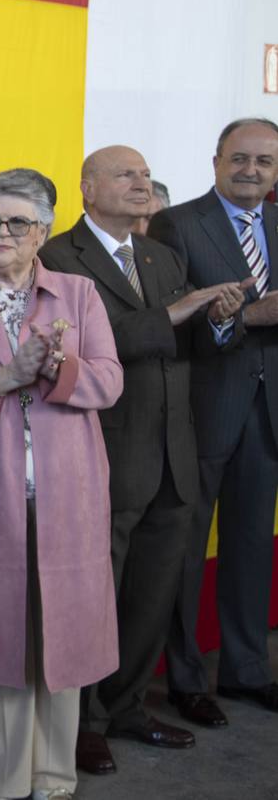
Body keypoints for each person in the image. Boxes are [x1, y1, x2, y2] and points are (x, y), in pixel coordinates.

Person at [40, 147, 247, 776]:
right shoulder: (57, 257)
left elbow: (193, 340)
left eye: (145, 174)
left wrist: (218, 319)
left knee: (152, 595)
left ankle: (127, 706)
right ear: (87, 188)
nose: (141, 183)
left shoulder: (160, 255)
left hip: (172, 454)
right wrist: (174, 313)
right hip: (103, 453)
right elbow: (78, 347)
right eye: (125, 174)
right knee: (93, 596)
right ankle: (82, 723)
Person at [0, 167, 124, 800]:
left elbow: (110, 381)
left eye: (17, 222)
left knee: (63, 631)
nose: (1, 232)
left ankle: (53, 778)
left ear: (43, 232)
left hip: (68, 492)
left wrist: (56, 366)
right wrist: (2, 379)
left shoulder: (79, 293)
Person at [151, 117, 278, 721]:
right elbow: (167, 319)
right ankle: (185, 680)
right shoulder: (177, 224)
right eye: (240, 159)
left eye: (264, 161)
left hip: (267, 412)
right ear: (216, 161)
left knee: (252, 546)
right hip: (201, 408)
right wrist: (246, 317)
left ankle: (246, 671)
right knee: (184, 548)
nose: (251, 170)